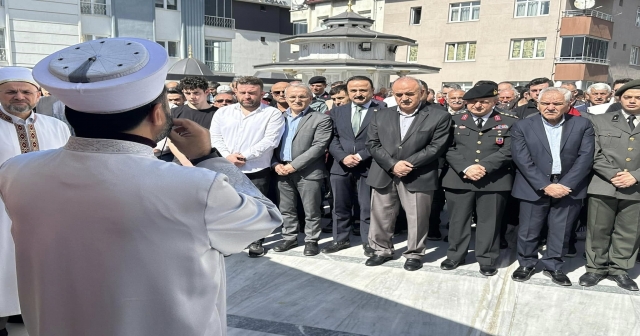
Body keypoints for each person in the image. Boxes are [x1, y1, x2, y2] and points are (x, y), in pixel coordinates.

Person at [2, 37, 281, 336]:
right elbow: (265, 217)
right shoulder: (195, 186)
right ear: (158, 114)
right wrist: (206, 157)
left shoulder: (16, 171)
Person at [0, 67, 71, 336]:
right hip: (2, 214)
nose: (19, 96)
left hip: (48, 213)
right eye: (11, 91)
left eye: (26, 91)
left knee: (45, 273)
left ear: (38, 95)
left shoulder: (57, 126)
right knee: (3, 270)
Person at [510, 87, 595, 286]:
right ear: (537, 104)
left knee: (562, 229)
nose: (550, 107)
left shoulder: (583, 125)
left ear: (568, 105)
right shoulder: (522, 126)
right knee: (529, 228)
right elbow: (522, 159)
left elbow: (585, 158)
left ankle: (554, 265)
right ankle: (526, 263)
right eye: (545, 103)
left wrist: (566, 184)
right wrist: (544, 185)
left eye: (556, 104)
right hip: (534, 185)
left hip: (568, 186)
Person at [365, 76, 452, 271]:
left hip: (418, 174)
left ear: (422, 93)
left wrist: (408, 164)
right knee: (381, 215)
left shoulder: (439, 116)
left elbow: (436, 147)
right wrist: (392, 164)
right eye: (399, 94)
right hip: (384, 173)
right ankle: (381, 250)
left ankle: (414, 253)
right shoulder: (380, 115)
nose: (404, 98)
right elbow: (372, 143)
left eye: (409, 93)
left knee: (417, 217)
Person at [440, 84, 518, 276]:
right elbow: (447, 148)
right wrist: (467, 167)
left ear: (494, 102)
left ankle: (487, 258)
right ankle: (455, 255)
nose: (478, 105)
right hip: (460, 178)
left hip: (493, 180)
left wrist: (484, 167)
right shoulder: (453, 121)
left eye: (483, 101)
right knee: (458, 220)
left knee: (489, 222)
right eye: (473, 102)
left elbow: (509, 149)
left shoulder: (509, 121)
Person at [210, 76, 285, 258]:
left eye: (251, 92)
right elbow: (215, 137)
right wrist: (228, 157)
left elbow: (270, 141)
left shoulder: (272, 114)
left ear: (261, 93)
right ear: (236, 92)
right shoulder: (223, 113)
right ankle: (230, 242)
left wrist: (244, 156)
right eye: (242, 92)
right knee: (227, 207)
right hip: (227, 167)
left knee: (257, 208)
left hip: (256, 169)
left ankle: (256, 242)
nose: (247, 96)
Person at [580, 79, 640, 291]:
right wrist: (614, 174)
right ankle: (595, 268)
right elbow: (593, 153)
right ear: (619, 98)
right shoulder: (600, 120)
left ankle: (620, 269)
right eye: (628, 97)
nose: (633, 101)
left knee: (629, 230)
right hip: (604, 183)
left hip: (636, 186)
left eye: (638, 98)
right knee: (598, 228)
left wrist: (635, 176)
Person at [323, 76, 383, 256]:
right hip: (340, 166)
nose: (358, 94)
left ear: (372, 91)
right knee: (339, 206)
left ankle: (369, 242)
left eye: (363, 90)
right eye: (353, 91)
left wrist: (360, 155)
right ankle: (340, 239)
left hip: (368, 165)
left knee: (367, 207)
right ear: (348, 93)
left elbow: (383, 139)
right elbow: (332, 138)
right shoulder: (338, 111)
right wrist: (343, 157)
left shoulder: (382, 110)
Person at [272, 84, 332, 256]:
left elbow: (319, 147)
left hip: (308, 171)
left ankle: (311, 240)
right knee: (286, 208)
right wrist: (275, 164)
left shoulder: (321, 119)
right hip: (281, 168)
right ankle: (289, 237)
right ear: (286, 98)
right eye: (292, 97)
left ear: (310, 98)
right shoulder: (278, 118)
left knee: (311, 209)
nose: (297, 100)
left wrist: (294, 166)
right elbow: (270, 144)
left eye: (302, 97)